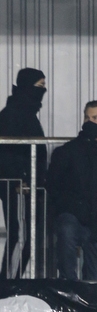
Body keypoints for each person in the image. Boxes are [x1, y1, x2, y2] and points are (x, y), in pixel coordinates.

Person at [46, 101, 97, 280]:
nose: (90, 122)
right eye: (87, 117)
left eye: (96, 118)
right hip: (75, 214)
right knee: (66, 232)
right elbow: (53, 184)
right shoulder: (68, 151)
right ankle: (68, 287)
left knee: (93, 280)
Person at [0, 68, 47, 278]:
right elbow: (7, 153)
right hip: (19, 186)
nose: (43, 90)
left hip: (26, 184)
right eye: (39, 86)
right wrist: (21, 180)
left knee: (24, 236)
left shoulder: (22, 111)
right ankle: (10, 285)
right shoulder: (14, 114)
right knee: (20, 235)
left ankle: (10, 281)